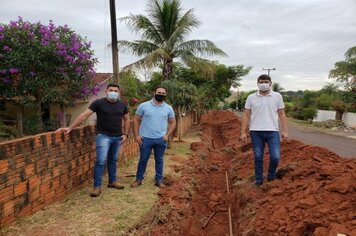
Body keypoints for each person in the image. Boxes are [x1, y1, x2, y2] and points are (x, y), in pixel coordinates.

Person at [57, 84, 130, 197]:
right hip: (103, 136)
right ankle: (97, 187)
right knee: (100, 161)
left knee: (113, 159)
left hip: (117, 137)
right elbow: (84, 115)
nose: (113, 92)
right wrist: (71, 127)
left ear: (119, 92)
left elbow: (127, 119)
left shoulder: (122, 105)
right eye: (111, 90)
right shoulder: (98, 103)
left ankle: (112, 181)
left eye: (116, 91)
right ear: (106, 91)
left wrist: (125, 134)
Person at [240, 74, 289, 187]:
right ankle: (258, 180)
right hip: (255, 131)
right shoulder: (251, 97)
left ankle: (271, 177)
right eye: (261, 82)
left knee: (275, 156)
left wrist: (285, 131)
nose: (263, 84)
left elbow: (281, 114)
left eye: (266, 82)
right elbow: (246, 115)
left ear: (270, 83)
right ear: (257, 83)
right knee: (258, 157)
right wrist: (243, 132)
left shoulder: (277, 96)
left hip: (272, 131)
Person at [131, 85, 176, 188]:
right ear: (154, 93)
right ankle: (138, 179)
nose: (161, 95)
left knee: (159, 160)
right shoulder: (144, 106)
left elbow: (173, 122)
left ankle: (159, 180)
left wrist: (167, 135)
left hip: (161, 139)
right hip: (145, 139)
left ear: (165, 95)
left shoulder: (168, 108)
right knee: (143, 159)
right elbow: (136, 120)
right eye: (159, 93)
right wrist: (137, 135)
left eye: (163, 93)